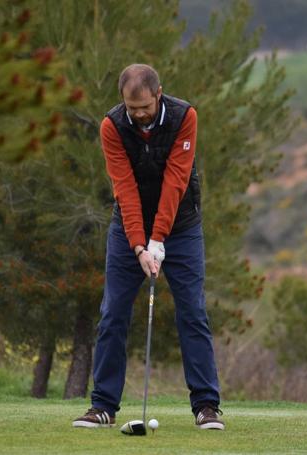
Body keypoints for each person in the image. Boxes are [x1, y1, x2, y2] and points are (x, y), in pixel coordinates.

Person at [73, 64, 224, 430]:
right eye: (131, 107)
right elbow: (123, 188)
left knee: (192, 312)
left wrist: (159, 240)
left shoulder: (184, 116)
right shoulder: (112, 126)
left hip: (182, 226)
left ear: (158, 95)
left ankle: (206, 405)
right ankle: (104, 406)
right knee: (112, 313)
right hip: (129, 227)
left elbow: (176, 180)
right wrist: (140, 246)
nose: (138, 114)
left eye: (144, 107)